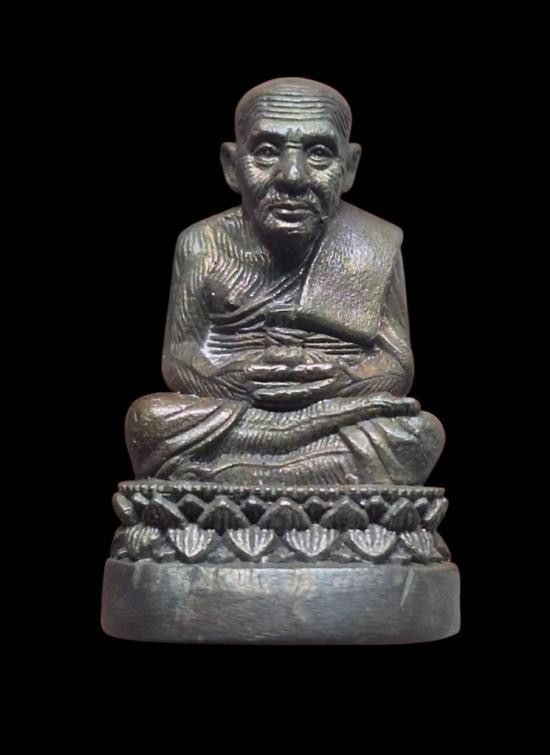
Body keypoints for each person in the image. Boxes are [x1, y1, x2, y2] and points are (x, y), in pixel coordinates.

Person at [125, 77, 444, 485]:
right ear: (231, 166)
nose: (292, 176)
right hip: (238, 410)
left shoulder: (374, 244)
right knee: (148, 418)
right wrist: (226, 379)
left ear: (349, 167)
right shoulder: (203, 243)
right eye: (266, 151)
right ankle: (308, 468)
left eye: (318, 153)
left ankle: (233, 474)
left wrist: (345, 381)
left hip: (335, 409)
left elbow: (397, 365)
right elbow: (179, 354)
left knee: (417, 432)